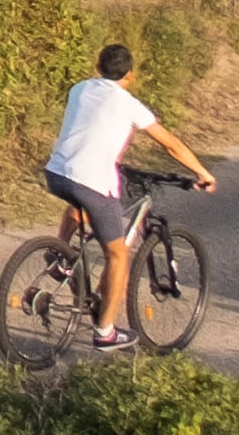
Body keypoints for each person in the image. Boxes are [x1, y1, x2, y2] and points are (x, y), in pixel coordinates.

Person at [42, 40, 214, 347]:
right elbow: (170, 144)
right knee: (118, 254)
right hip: (90, 179)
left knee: (79, 205)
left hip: (56, 173)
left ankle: (61, 256)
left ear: (98, 67)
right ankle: (105, 332)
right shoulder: (128, 103)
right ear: (130, 75)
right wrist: (202, 172)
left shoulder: (79, 88)